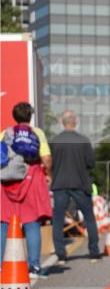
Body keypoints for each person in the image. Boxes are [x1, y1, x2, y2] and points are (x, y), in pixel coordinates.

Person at [1, 102, 52, 279]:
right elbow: (46, 158)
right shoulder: (37, 133)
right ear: (30, 116)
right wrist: (49, 172)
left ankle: (1, 267)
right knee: (32, 223)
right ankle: (34, 267)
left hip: (7, 183)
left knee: (3, 224)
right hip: (31, 179)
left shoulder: (5, 133)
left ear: (14, 116)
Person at [50, 110, 102, 263]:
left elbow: (49, 162)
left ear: (62, 122)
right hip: (80, 183)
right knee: (89, 218)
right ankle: (94, 252)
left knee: (58, 219)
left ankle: (61, 255)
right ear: (76, 122)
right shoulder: (84, 140)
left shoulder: (54, 140)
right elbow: (91, 163)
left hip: (60, 183)